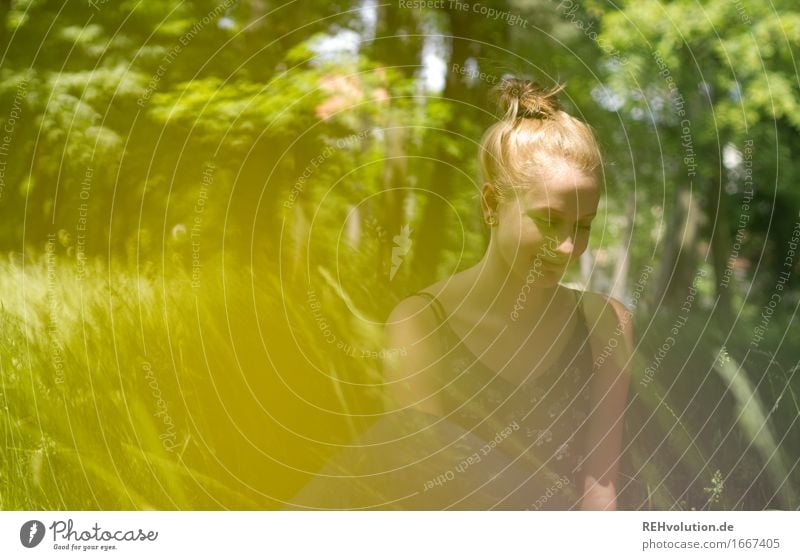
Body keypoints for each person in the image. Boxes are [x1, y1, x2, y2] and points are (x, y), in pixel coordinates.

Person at [288, 77, 631, 511]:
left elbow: (600, 490)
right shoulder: (422, 322)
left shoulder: (605, 323)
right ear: (491, 204)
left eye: (583, 226)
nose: (567, 247)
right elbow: (429, 486)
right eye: (548, 221)